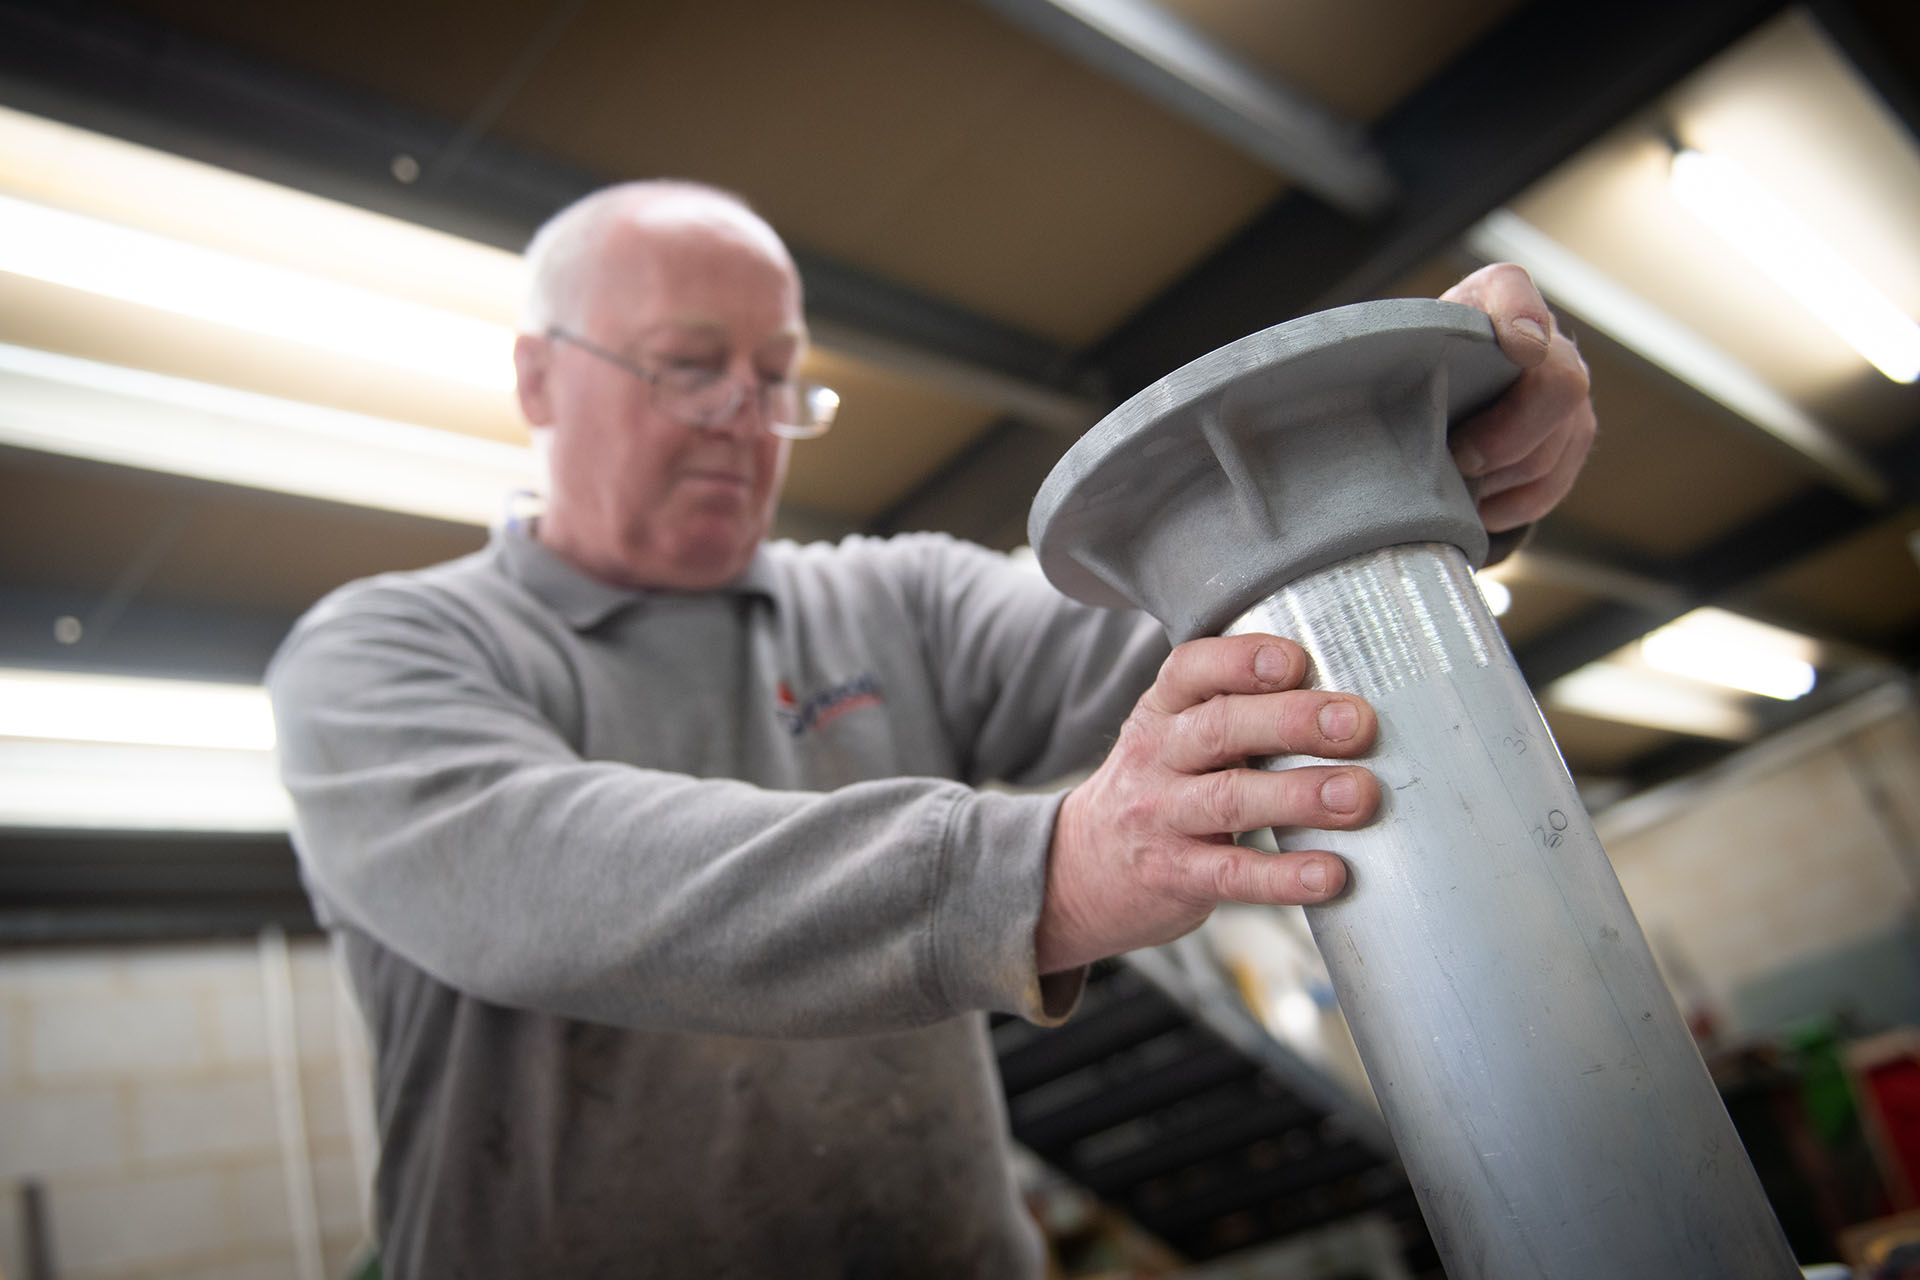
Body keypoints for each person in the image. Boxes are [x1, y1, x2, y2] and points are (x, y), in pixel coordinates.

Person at [267, 180, 1595, 1277]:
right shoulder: (383, 656)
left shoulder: (892, 599)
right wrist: (1042, 873)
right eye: (688, 369)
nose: (745, 418)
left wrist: (1428, 454)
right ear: (538, 380)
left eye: (778, 378)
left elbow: (1189, 604)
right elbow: (564, 885)